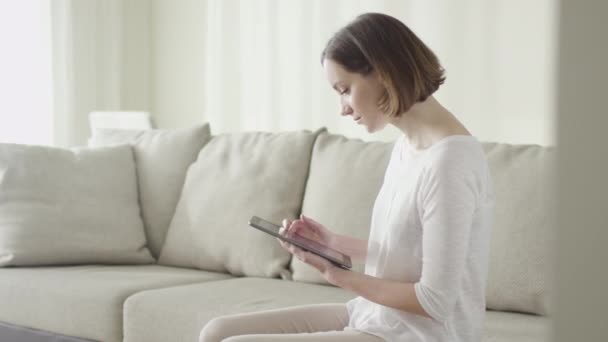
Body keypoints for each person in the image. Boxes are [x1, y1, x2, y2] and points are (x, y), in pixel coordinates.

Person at [200, 12, 494, 342]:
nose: (342, 107)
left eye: (345, 89)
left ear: (383, 73)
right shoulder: (407, 147)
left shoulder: (450, 162)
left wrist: (337, 275)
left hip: (420, 335)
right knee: (217, 332)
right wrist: (333, 245)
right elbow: (408, 253)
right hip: (376, 317)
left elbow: (435, 301)